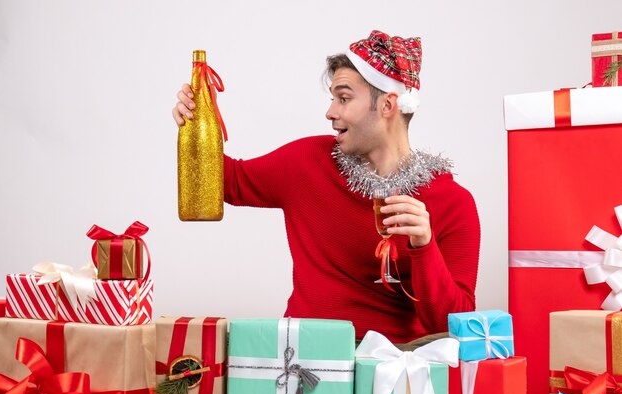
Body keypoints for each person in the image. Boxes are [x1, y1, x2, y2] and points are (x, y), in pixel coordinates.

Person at [172, 30, 480, 344]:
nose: (330, 112)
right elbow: (227, 181)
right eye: (333, 98)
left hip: (396, 370)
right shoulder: (308, 163)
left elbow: (455, 328)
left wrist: (423, 247)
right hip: (305, 364)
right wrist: (195, 124)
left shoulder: (452, 203)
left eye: (343, 98)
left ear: (387, 105)